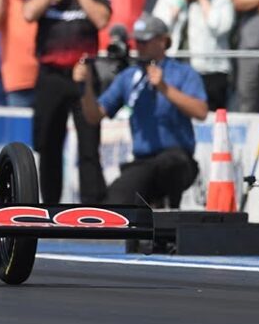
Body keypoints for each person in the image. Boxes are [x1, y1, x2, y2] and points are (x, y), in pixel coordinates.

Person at [74, 13, 208, 206]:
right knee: (116, 200)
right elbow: (94, 116)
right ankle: (137, 228)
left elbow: (201, 111)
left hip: (178, 159)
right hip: (144, 162)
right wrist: (85, 86)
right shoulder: (129, 76)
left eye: (145, 41)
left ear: (163, 41)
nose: (139, 46)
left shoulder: (182, 72)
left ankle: (171, 210)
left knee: (169, 165)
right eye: (136, 41)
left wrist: (165, 88)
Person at [22, 0, 111, 204]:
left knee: (88, 147)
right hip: (51, 77)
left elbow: (101, 19)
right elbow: (29, 13)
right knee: (49, 145)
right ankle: (50, 206)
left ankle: (92, 209)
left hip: (84, 78)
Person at [152, 0, 234, 110]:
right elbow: (159, 30)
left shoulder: (220, 0)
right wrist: (179, 3)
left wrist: (203, 0)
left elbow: (219, 28)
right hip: (173, 70)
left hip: (209, 71)